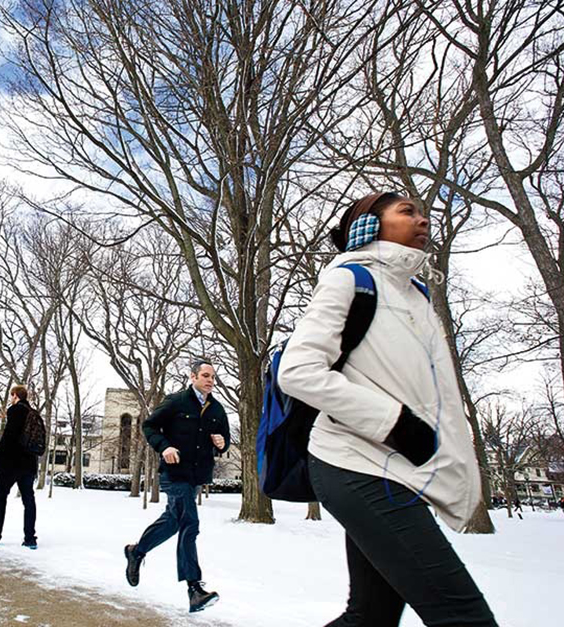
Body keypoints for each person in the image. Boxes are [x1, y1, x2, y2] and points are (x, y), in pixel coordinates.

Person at [279, 192, 497, 626]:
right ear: (371, 224)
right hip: (354, 463)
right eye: (407, 212)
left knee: (370, 619)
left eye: (423, 213)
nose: (423, 220)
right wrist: (394, 421)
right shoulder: (350, 278)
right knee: (462, 616)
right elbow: (298, 371)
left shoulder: (416, 295)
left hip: (394, 467)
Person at [123, 359, 231, 613]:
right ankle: (194, 589)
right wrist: (165, 446)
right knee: (189, 523)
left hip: (196, 476)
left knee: (174, 521)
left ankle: (136, 552)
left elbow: (225, 441)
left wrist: (221, 442)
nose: (210, 381)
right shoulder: (176, 401)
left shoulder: (217, 409)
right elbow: (148, 425)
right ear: (193, 377)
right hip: (174, 473)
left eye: (213, 377)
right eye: (205, 375)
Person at [0, 384, 39, 549]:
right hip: (29, 464)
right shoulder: (34, 414)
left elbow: (8, 439)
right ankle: (30, 538)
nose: (11, 399)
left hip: (12, 464)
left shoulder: (15, 411)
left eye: (11, 396)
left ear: (15, 396)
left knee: (0, 497)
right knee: (29, 500)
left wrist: (0, 461)